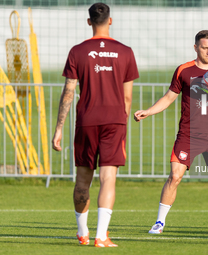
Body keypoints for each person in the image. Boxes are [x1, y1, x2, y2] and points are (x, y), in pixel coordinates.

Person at [134, 30, 208, 235]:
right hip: (189, 135)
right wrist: (148, 111)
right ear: (195, 47)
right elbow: (169, 98)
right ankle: (159, 222)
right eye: (205, 47)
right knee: (175, 176)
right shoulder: (184, 70)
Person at [52, 3, 139, 248]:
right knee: (108, 178)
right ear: (110, 21)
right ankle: (101, 236)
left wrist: (59, 128)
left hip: (86, 121)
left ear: (89, 21)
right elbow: (127, 98)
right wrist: (121, 121)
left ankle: (83, 232)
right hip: (114, 121)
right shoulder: (125, 51)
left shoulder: (77, 51)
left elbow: (68, 92)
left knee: (82, 180)